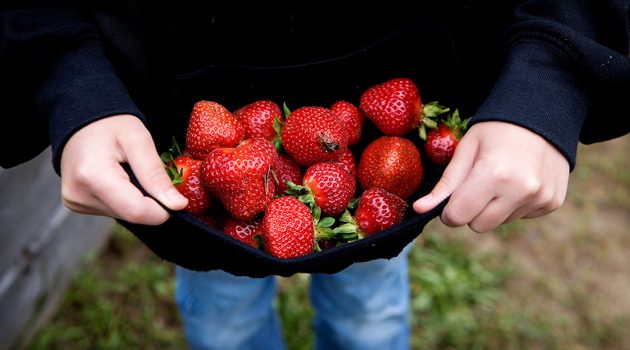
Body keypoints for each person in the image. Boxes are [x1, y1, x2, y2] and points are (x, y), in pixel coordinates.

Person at [2, 1, 629, 349]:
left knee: (368, 312)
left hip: (378, 166)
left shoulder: (373, 168)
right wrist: (72, 80)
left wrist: (552, 72)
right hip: (189, 169)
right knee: (224, 318)